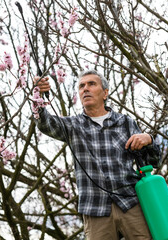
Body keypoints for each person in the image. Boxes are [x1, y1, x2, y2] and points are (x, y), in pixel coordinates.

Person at [33, 70, 161, 240]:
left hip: (131, 203)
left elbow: (152, 162)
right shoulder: (72, 126)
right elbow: (45, 123)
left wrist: (149, 140)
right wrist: (38, 95)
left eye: (91, 84)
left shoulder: (125, 122)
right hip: (95, 208)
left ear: (105, 93)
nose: (85, 89)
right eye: (81, 86)